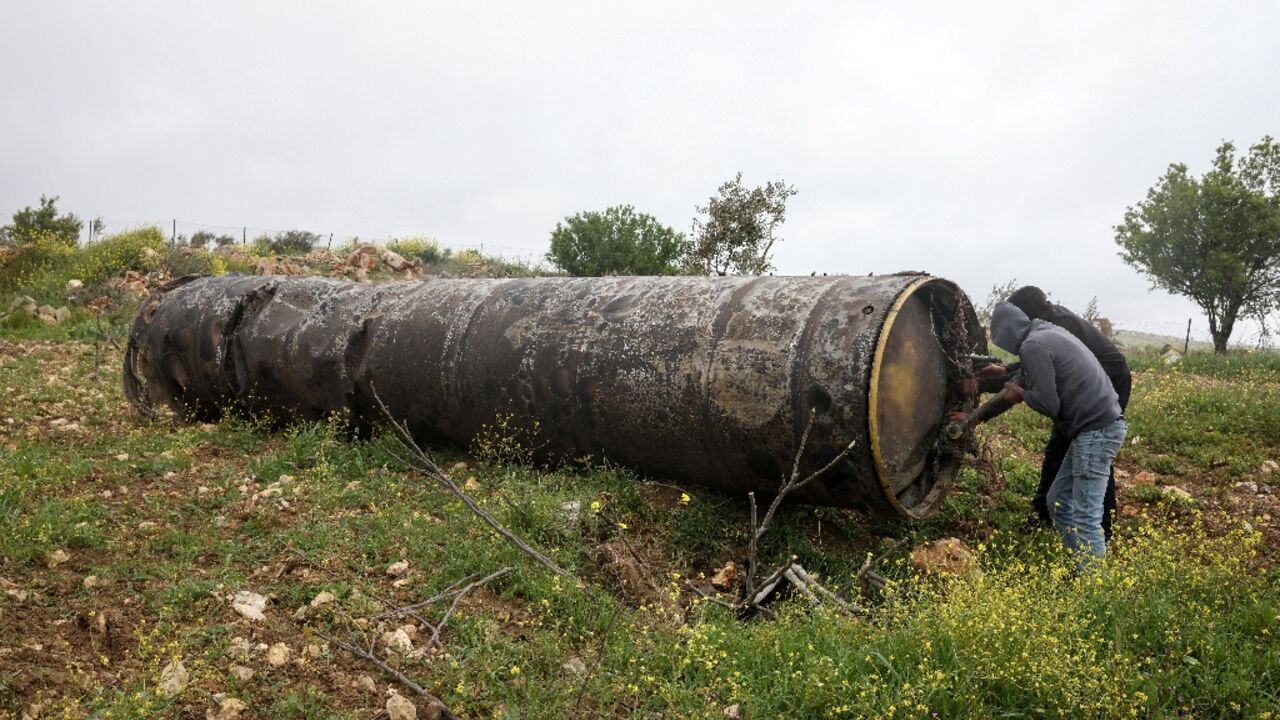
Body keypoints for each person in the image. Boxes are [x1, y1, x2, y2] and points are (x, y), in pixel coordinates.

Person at [955, 302, 1127, 568]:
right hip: (1097, 427)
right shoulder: (1045, 331)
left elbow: (1048, 403)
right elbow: (1024, 377)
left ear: (1006, 334)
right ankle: (1082, 566)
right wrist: (974, 419)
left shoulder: (1032, 345)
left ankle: (1095, 587)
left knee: (1087, 516)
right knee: (1057, 500)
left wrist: (1020, 395)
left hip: (1096, 432)